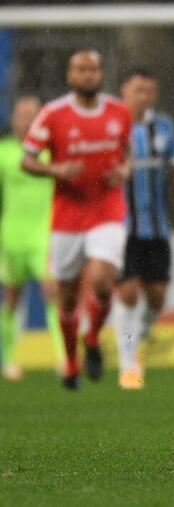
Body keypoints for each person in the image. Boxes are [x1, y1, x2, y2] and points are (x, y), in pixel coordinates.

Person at [22, 49, 132, 390]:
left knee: (101, 280)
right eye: (81, 70)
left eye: (94, 70)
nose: (88, 75)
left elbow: (126, 154)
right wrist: (55, 168)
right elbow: (27, 160)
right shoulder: (53, 114)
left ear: (101, 75)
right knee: (67, 297)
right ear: (70, 76)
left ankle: (94, 339)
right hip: (68, 215)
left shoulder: (119, 112)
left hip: (106, 209)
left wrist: (124, 171)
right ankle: (71, 362)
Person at [112, 68, 174, 390]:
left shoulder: (163, 128)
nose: (144, 96)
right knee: (128, 291)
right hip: (120, 227)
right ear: (125, 90)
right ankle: (128, 363)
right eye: (139, 90)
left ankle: (136, 340)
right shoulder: (111, 126)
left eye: (150, 91)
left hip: (157, 227)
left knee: (157, 296)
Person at [0, 96, 65, 380]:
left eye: (32, 115)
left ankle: (64, 359)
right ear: (13, 117)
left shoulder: (52, 154)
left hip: (45, 234)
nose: (26, 120)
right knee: (13, 297)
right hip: (11, 235)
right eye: (21, 114)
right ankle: (9, 360)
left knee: (52, 292)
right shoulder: (3, 153)